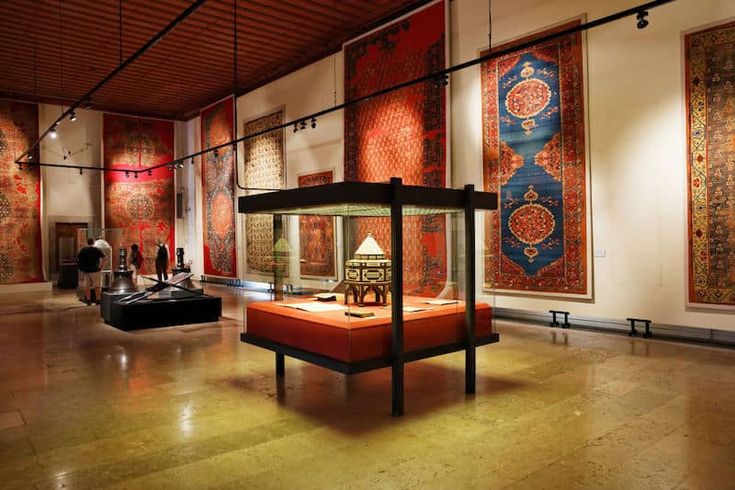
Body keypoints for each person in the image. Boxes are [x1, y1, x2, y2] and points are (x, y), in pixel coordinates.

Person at [76, 238, 105, 306]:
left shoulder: (84, 250)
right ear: (93, 242)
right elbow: (104, 257)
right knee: (97, 286)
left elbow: (78, 258)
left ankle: (88, 300)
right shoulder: (97, 249)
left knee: (87, 286)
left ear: (87, 243)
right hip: (95, 269)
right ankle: (97, 300)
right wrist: (101, 266)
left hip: (86, 270)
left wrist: (81, 267)